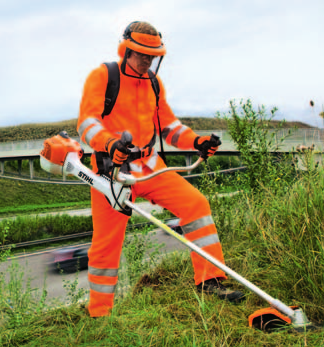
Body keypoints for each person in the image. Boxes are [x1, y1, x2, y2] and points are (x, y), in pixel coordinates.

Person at [77, 21, 244, 318]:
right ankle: (99, 314)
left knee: (196, 204)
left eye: (152, 55)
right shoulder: (102, 76)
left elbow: (168, 127)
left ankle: (210, 282)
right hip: (111, 169)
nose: (147, 60)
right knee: (106, 245)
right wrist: (110, 143)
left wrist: (197, 141)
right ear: (125, 49)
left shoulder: (154, 82)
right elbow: (87, 124)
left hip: (151, 165)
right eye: (141, 54)